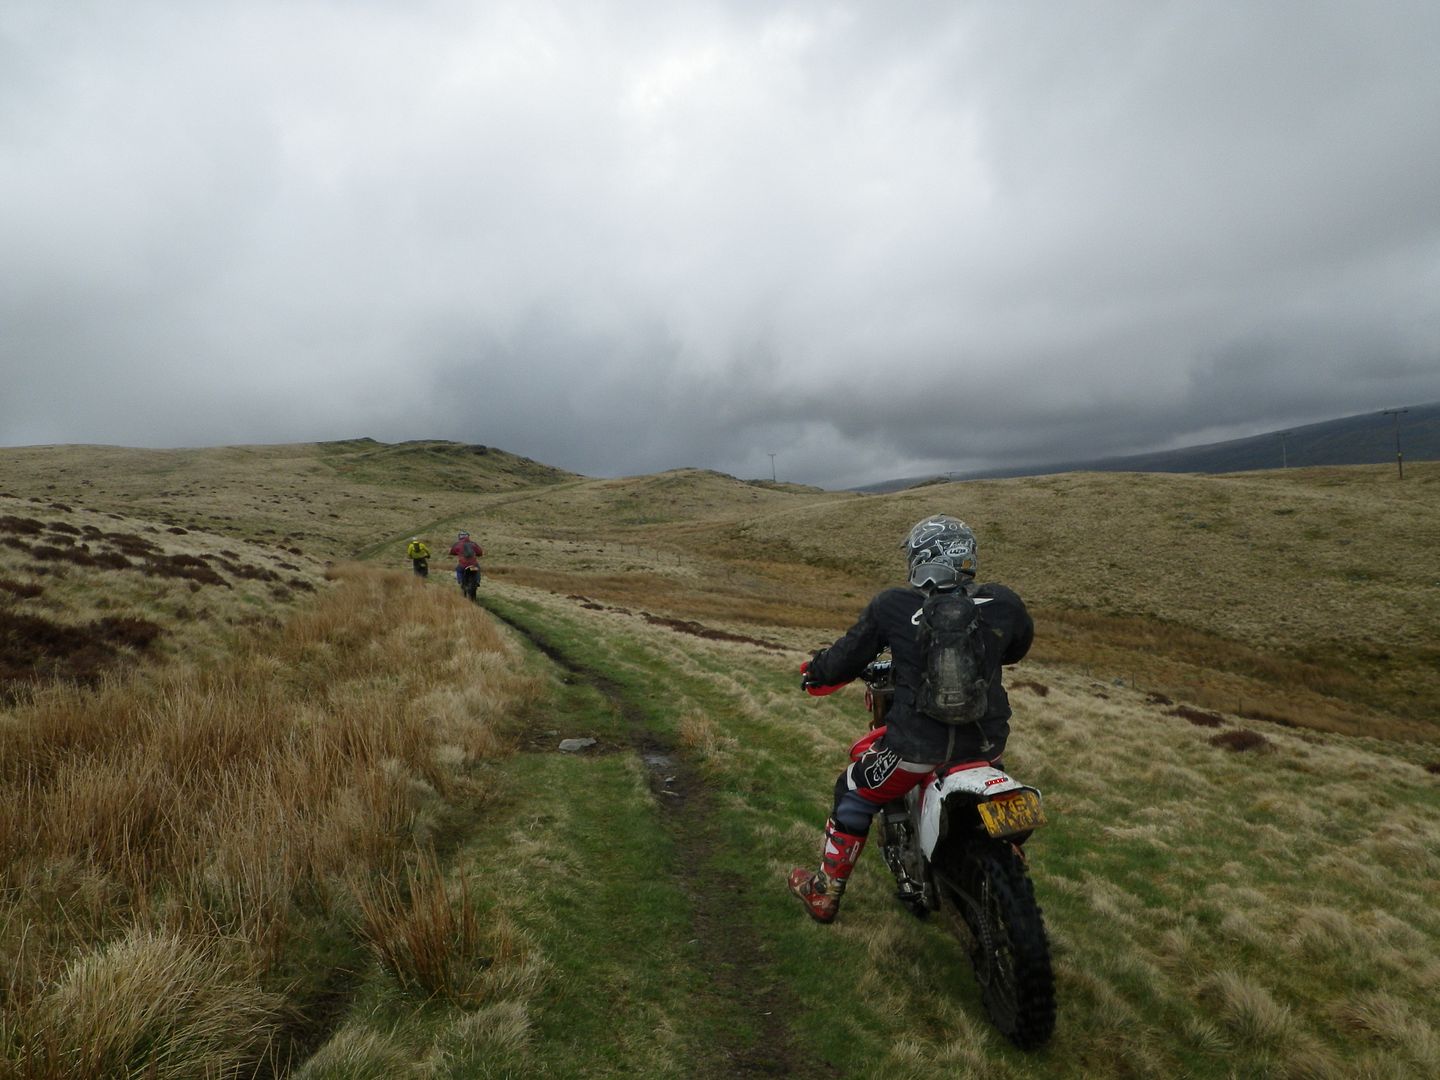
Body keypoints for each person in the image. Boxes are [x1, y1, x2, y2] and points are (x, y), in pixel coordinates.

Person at [788, 514, 1034, 924]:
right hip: (986, 744)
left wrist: (815, 673)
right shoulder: (1003, 602)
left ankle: (824, 894)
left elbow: (846, 658)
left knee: (853, 791)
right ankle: (1008, 852)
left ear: (923, 560)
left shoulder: (894, 605)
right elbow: (1015, 649)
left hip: (914, 748)